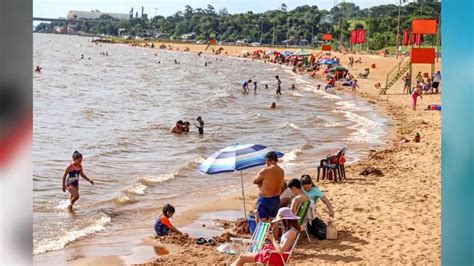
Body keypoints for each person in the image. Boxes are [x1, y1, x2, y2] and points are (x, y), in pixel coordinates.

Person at [230, 207, 301, 266]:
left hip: (276, 257)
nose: (280, 222)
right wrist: (274, 242)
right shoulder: (290, 231)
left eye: (280, 220)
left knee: (242, 257)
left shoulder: (291, 232)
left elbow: (281, 251)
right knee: (242, 255)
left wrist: (272, 238)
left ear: (286, 219)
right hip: (274, 254)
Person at [253, 151, 284, 222]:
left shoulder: (266, 170)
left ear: (267, 160)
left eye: (265, 161)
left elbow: (254, 181)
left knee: (262, 222)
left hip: (265, 200)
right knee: (274, 221)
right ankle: (273, 233)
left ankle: (262, 233)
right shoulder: (281, 171)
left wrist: (260, 184)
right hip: (276, 199)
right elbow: (281, 184)